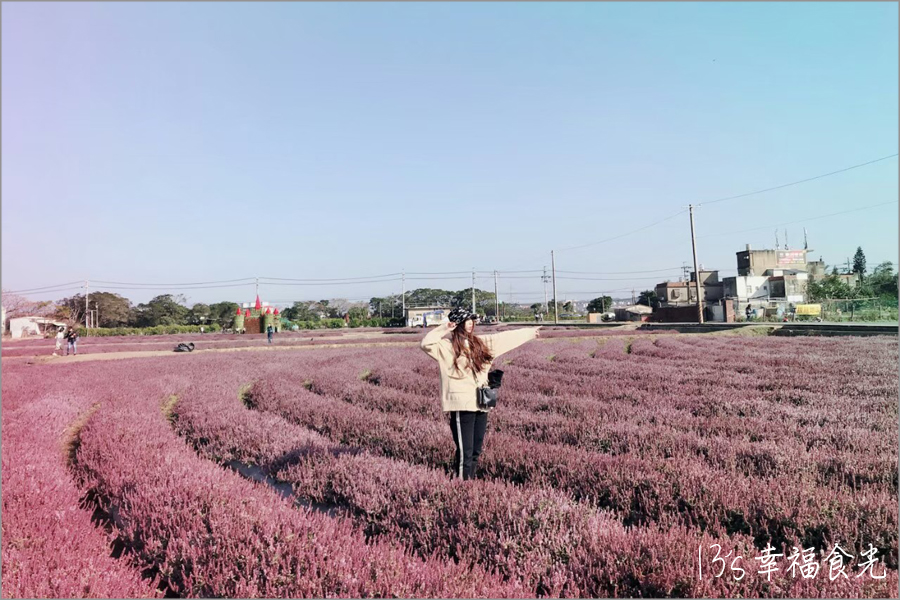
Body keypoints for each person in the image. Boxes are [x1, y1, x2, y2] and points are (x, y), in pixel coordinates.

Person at [421, 307, 541, 480]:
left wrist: (529, 333)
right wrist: (445, 328)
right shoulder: (446, 347)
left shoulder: (480, 343)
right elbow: (426, 343)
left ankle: (469, 484)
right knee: (465, 452)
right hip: (462, 404)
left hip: (481, 403)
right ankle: (461, 487)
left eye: (472, 321)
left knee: (476, 449)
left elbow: (503, 338)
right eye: (466, 321)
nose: (470, 324)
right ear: (457, 324)